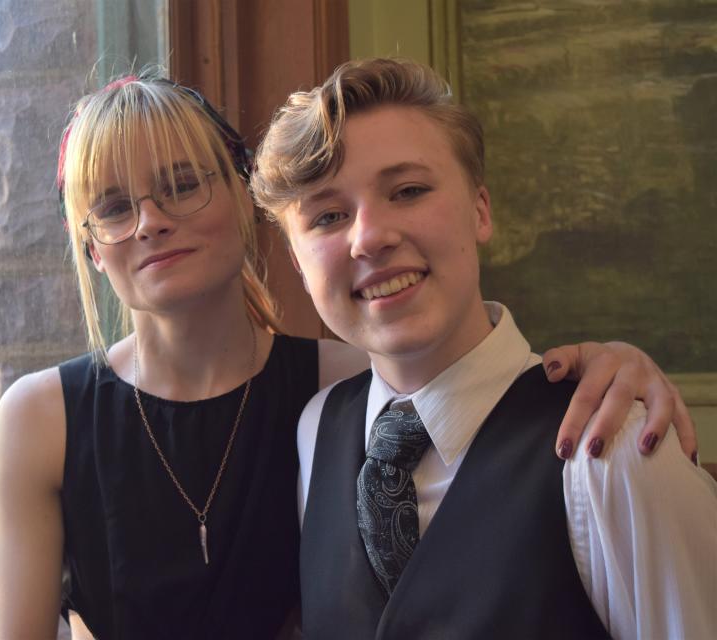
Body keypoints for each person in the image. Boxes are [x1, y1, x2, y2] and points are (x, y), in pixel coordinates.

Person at [0, 72, 698, 640]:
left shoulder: (343, 389)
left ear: (242, 203)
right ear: (88, 245)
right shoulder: (326, 420)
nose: (151, 222)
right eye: (112, 206)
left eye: (181, 184)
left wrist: (621, 367)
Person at [251, 57, 717, 638]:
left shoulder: (610, 446)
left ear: (480, 210)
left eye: (409, 190)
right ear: (297, 263)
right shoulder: (317, 430)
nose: (369, 237)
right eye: (328, 216)